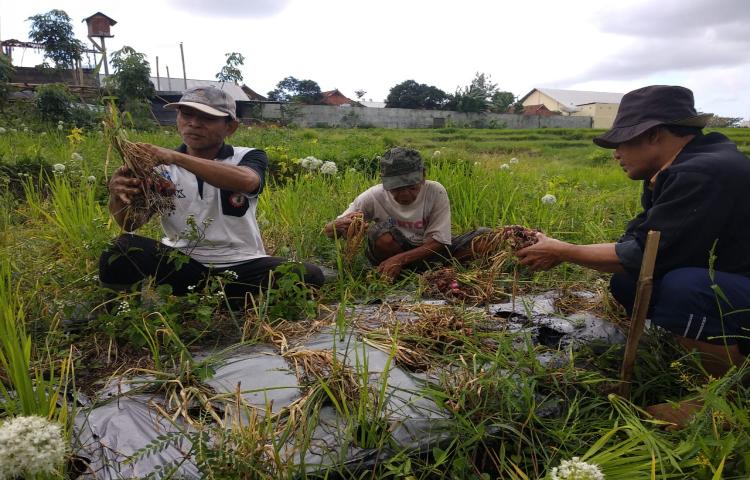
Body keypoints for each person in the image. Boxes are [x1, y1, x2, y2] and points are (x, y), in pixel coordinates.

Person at [516, 85, 750, 424]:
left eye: (621, 143)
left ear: (654, 134)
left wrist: (564, 251)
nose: (615, 154)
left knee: (687, 288)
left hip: (737, 284)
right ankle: (706, 350)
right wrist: (565, 249)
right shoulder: (676, 168)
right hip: (737, 280)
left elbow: (644, 254)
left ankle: (724, 397)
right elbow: (640, 238)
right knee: (627, 283)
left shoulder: (702, 172)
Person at [99, 86, 324, 302]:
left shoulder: (246, 157)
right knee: (122, 248)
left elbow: (248, 180)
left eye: (206, 118)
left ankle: (228, 299)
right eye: (186, 114)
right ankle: (119, 313)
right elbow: (130, 224)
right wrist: (117, 195)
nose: (194, 124)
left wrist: (177, 158)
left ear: (230, 127)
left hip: (241, 264)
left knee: (308, 275)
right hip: (181, 264)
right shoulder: (159, 169)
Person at [324, 147, 490, 280]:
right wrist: (337, 226)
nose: (405, 195)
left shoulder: (435, 192)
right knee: (380, 233)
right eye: (397, 189)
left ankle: (426, 272)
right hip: (393, 251)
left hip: (428, 253)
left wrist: (400, 260)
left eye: (412, 187)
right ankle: (407, 271)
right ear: (384, 182)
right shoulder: (373, 196)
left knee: (485, 238)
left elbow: (438, 242)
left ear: (423, 176)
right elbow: (331, 231)